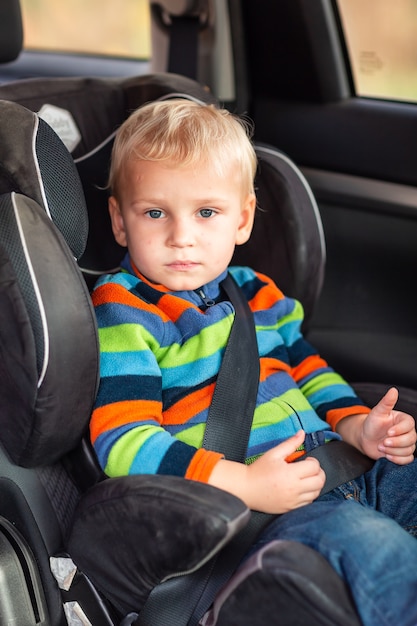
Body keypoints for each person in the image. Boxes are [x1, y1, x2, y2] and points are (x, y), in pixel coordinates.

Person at [90, 98, 417, 626]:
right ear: (120, 222)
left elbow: (309, 371)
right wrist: (241, 484)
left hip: (345, 467)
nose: (182, 236)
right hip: (264, 510)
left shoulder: (256, 294)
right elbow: (123, 442)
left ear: (241, 219)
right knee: (374, 550)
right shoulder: (125, 311)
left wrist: (357, 425)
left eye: (206, 212)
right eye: (155, 213)